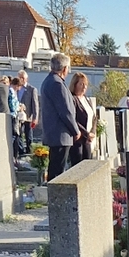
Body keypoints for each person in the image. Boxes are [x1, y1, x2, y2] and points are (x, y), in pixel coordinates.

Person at [40, 53, 81, 181]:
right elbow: (65, 111)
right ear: (64, 68)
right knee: (57, 172)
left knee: (56, 168)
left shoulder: (49, 81)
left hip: (55, 134)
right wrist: (75, 130)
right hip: (60, 134)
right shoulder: (57, 84)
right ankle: (56, 193)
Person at [68, 72, 96, 165]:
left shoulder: (86, 99)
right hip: (78, 139)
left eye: (86, 84)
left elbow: (94, 118)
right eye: (81, 84)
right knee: (78, 165)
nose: (84, 87)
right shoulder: (72, 99)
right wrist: (86, 134)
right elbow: (73, 119)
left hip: (88, 140)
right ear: (75, 84)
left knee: (88, 165)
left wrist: (92, 132)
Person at [17, 70, 39, 153]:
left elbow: (35, 104)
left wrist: (35, 117)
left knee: (28, 134)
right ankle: (21, 150)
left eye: (22, 78)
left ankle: (29, 151)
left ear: (26, 79)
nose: (21, 79)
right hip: (18, 116)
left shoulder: (32, 89)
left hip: (28, 116)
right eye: (19, 77)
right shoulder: (16, 88)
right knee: (18, 133)